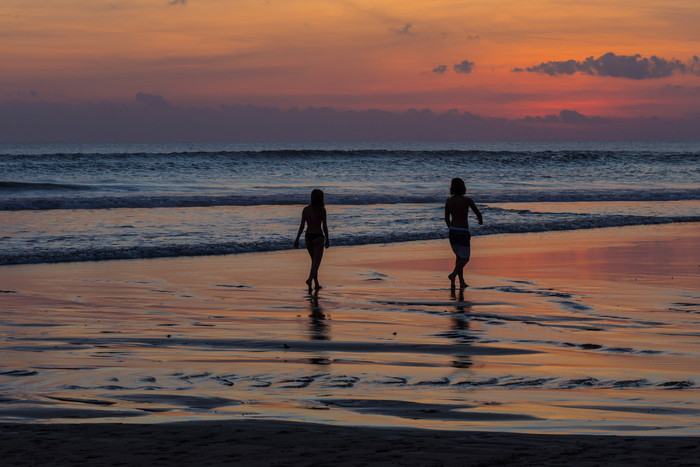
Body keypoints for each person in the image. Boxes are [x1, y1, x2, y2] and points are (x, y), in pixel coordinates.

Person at [444, 177, 482, 289]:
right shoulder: (467, 200)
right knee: (465, 258)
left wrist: (451, 229)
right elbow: (478, 213)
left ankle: (461, 282)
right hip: (463, 231)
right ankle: (453, 275)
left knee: (459, 257)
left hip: (453, 231)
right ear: (463, 187)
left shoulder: (449, 201)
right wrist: (480, 221)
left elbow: (446, 218)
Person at [294, 189, 330, 292]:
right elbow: (325, 227)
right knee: (316, 263)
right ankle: (310, 280)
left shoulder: (305, 210)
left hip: (308, 237)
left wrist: (297, 239)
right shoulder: (322, 210)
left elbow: (301, 226)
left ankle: (316, 284)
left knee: (314, 262)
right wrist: (327, 239)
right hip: (318, 236)